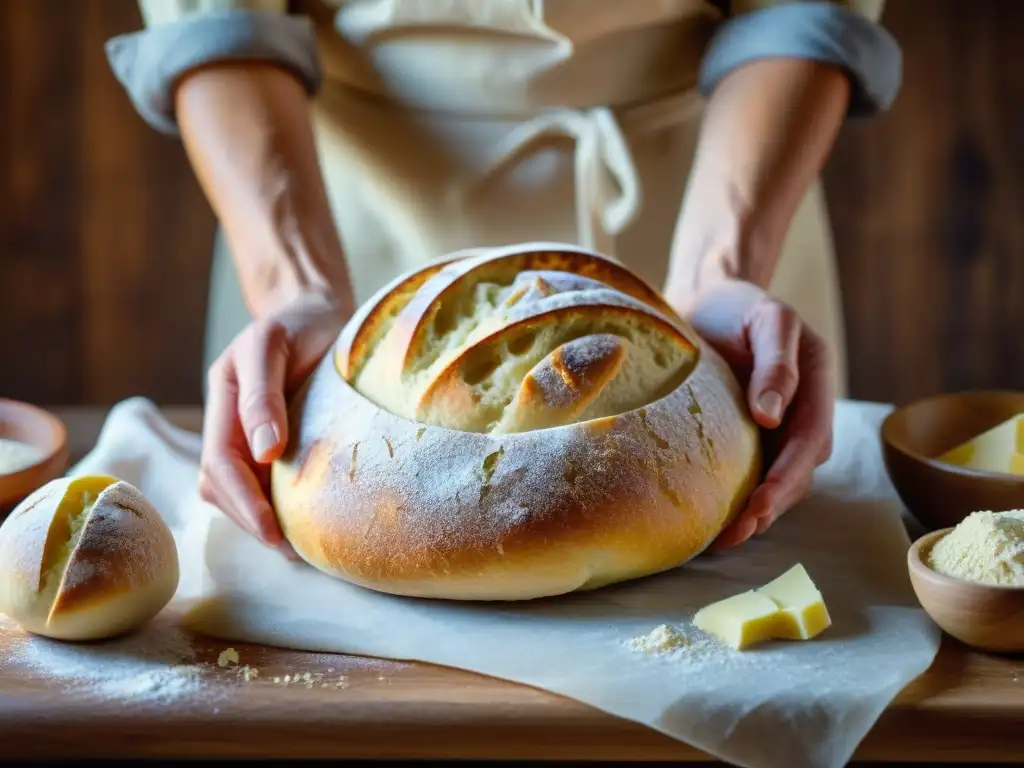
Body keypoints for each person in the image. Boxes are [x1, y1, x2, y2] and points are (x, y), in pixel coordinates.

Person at [106, 0, 900, 559]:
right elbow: (215, 21)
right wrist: (295, 287)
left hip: (711, 201)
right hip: (340, 225)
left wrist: (721, 270)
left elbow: (800, 13)